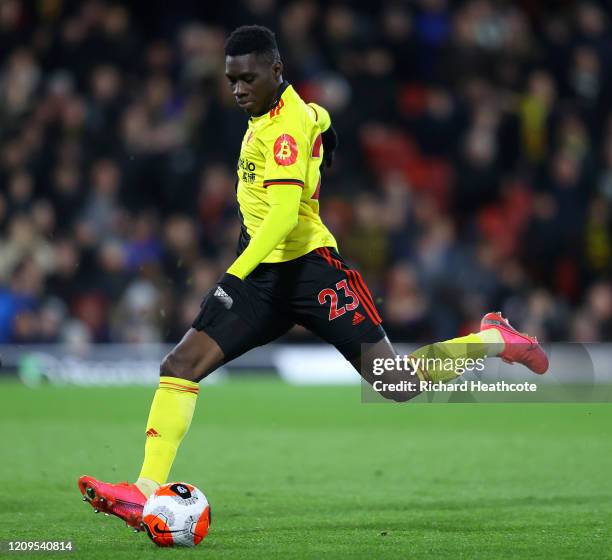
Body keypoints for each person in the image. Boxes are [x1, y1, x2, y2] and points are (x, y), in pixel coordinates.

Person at [78, 25, 548, 530]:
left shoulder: (282, 130)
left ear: (276, 71)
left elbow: (282, 216)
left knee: (394, 382)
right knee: (181, 363)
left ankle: (494, 339)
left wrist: (233, 275)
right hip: (262, 280)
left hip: (308, 272)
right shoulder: (285, 112)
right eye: (232, 79)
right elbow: (314, 117)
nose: (238, 90)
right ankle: (145, 490)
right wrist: (323, 124)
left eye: (248, 79)